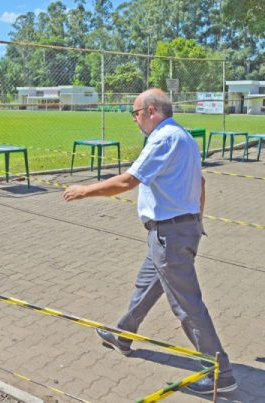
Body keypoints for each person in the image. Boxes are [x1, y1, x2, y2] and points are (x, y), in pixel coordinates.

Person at [63, 89, 237, 395]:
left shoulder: (163, 138)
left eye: (136, 113)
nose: (135, 119)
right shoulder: (182, 136)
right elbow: (202, 183)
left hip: (170, 234)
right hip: (175, 231)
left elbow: (129, 180)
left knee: (187, 304)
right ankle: (122, 335)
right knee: (146, 286)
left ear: (152, 111)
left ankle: (219, 372)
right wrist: (195, 222)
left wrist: (84, 190)